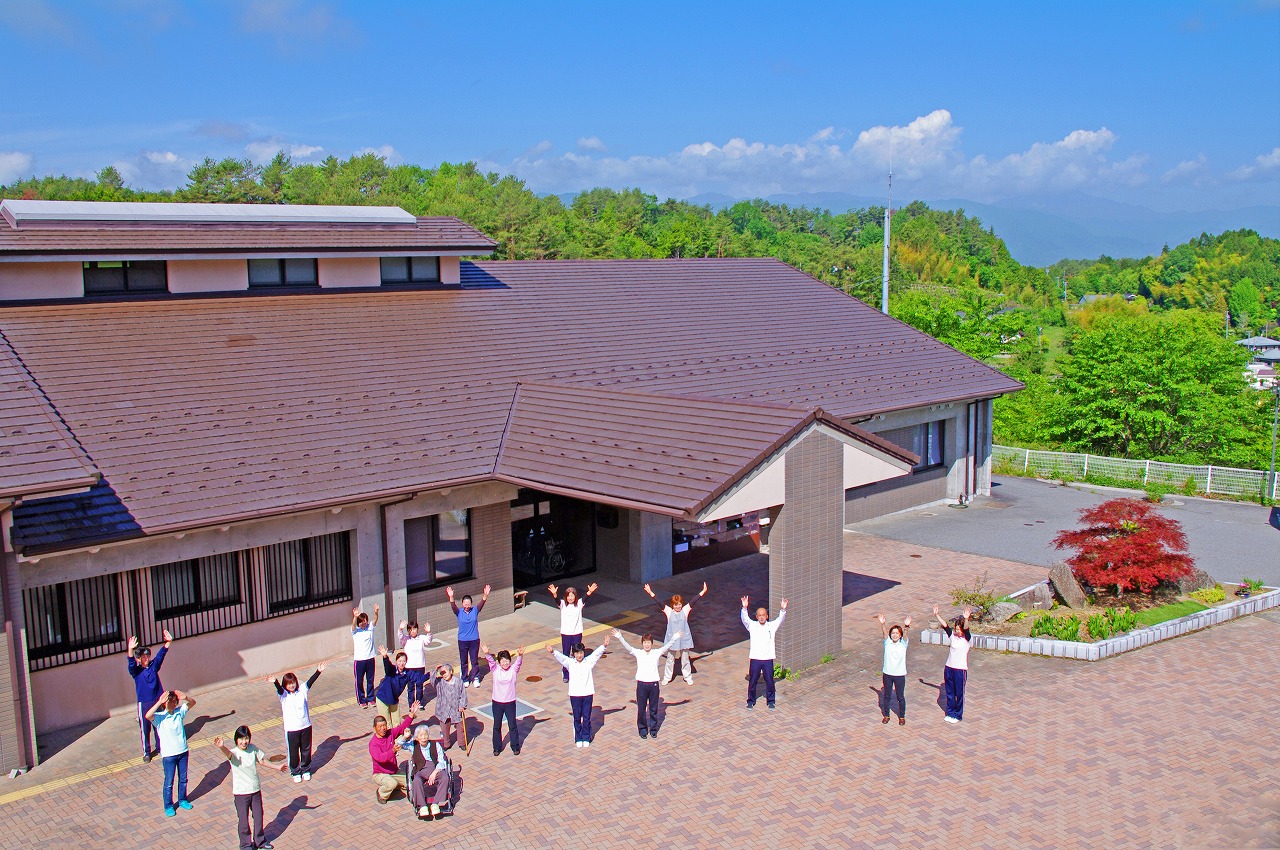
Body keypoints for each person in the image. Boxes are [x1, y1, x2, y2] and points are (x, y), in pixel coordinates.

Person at [214, 725, 288, 850]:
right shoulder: (234, 752)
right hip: (241, 794)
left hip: (255, 791)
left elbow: (262, 761)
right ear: (236, 740)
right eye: (241, 739)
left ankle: (260, 842)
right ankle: (245, 845)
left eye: (246, 738)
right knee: (243, 821)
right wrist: (222, 747)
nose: (244, 742)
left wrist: (278, 767)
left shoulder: (253, 749)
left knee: (258, 817)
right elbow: (228, 754)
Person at [611, 628, 681, 739]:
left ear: (651, 643)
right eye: (645, 642)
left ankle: (653, 729)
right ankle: (642, 729)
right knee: (641, 709)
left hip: (653, 685)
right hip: (642, 685)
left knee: (653, 709)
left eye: (648, 642)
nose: (647, 645)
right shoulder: (638, 653)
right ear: (642, 643)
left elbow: (667, 646)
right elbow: (628, 647)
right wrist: (620, 637)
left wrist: (674, 638)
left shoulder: (656, 652)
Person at [642, 581, 708, 685]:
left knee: (685, 659)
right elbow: (659, 602)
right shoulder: (669, 611)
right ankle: (667, 677)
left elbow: (694, 600)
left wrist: (703, 591)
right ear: (672, 605)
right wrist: (650, 592)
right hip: (672, 639)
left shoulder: (685, 610)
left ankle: (687, 677)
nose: (678, 606)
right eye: (676, 605)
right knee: (670, 659)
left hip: (684, 639)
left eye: (679, 604)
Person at [548, 636, 609, 748]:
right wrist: (553, 652)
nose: (579, 655)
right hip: (575, 695)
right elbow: (561, 658)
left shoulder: (588, 661)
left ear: (583, 653)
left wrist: (604, 646)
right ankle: (578, 737)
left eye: (581, 653)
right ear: (573, 654)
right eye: (577, 653)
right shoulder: (570, 663)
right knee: (577, 717)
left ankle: (586, 737)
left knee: (586, 717)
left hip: (587, 693)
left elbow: (596, 654)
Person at [145, 689, 196, 817]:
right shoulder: (159, 717)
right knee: (169, 782)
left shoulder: (179, 712)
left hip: (183, 751)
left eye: (174, 701)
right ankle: (168, 805)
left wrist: (185, 697)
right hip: (169, 755)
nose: (173, 704)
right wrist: (159, 702)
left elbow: (192, 703)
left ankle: (182, 800)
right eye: (170, 702)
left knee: (183, 779)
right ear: (165, 703)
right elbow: (147, 715)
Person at [272, 663, 325, 782]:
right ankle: (295, 771)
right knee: (293, 751)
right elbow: (279, 689)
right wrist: (275, 681)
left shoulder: (302, 690)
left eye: (293, 682)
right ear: (285, 685)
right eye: (289, 683)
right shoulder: (283, 695)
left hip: (305, 726)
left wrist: (318, 671)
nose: (291, 685)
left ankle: (306, 769)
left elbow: (310, 682)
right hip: (291, 729)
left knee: (306, 750)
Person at [127, 629, 173, 762]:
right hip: (144, 703)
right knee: (145, 728)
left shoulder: (153, 666)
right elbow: (130, 663)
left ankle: (161, 747)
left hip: (158, 700)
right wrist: (130, 649)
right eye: (143, 657)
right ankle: (147, 752)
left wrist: (168, 642)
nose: (147, 658)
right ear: (139, 659)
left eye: (148, 656)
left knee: (159, 725)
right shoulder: (136, 671)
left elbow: (161, 655)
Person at [740, 595, 787, 710]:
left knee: (770, 681)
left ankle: (771, 701)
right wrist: (744, 608)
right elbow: (744, 619)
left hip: (768, 659)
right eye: (759, 615)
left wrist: (783, 609)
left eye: (763, 615)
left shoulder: (772, 626)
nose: (761, 617)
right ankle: (751, 701)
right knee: (753, 681)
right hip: (755, 659)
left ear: (767, 616)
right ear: (756, 617)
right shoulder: (752, 626)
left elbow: (780, 619)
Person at [369, 701, 420, 803]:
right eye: (380, 727)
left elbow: (401, 728)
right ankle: (381, 794)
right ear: (374, 728)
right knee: (391, 784)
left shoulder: (390, 733)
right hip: (380, 774)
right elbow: (380, 758)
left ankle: (394, 784)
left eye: (384, 726)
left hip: (394, 771)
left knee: (411, 781)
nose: (383, 728)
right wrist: (392, 751)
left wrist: (411, 714)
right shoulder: (373, 743)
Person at [547, 582, 597, 683]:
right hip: (566, 633)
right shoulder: (562, 604)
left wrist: (590, 591)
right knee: (565, 654)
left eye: (572, 596)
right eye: (568, 596)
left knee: (577, 653)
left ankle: (576, 672)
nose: (570, 598)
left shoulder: (579, 604)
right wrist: (554, 594)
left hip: (577, 633)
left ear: (575, 597)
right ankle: (566, 674)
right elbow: (557, 600)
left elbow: (585, 598)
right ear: (566, 597)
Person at [481, 644, 524, 755]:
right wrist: (487, 653)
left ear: (510, 660)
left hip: (510, 702)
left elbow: (518, 662)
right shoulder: (495, 669)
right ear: (499, 662)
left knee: (512, 725)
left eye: (507, 660)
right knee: (497, 726)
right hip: (497, 702)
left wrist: (520, 655)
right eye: (502, 661)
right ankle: (497, 747)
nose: (505, 663)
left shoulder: (513, 669)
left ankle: (515, 746)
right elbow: (491, 661)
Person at [933, 604, 972, 723]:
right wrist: (936, 615)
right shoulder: (953, 637)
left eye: (960, 629)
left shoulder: (967, 639)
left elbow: (967, 629)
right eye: (956, 629)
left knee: (959, 693)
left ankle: (958, 715)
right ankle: (950, 713)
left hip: (960, 669)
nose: (958, 631)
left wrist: (966, 618)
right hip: (949, 667)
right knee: (949, 692)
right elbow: (945, 626)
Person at [446, 584, 491, 688]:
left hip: (474, 640)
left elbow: (482, 603)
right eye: (465, 604)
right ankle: (465, 678)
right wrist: (451, 596)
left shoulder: (475, 610)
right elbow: (453, 606)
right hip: (462, 640)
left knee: (474, 661)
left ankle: (476, 678)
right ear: (462, 604)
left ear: (471, 604)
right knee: (464, 661)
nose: (467, 606)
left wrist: (485, 595)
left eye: (468, 604)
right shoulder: (459, 612)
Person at [407, 723, 453, 819]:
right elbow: (400, 744)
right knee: (416, 780)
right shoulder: (413, 745)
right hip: (420, 770)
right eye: (421, 735)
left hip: (434, 768)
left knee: (445, 777)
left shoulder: (435, 745)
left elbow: (441, 760)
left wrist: (434, 773)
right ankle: (423, 806)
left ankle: (435, 804)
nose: (423, 737)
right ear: (417, 737)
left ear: (428, 735)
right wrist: (405, 737)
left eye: (425, 735)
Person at [876, 613, 912, 725]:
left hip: (899, 675)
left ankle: (901, 716)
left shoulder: (903, 643)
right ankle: (886, 715)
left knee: (900, 696)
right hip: (887, 673)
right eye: (893, 633)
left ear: (900, 635)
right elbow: (884, 634)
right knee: (887, 696)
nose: (895, 635)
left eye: (897, 633)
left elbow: (906, 634)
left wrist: (906, 626)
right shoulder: (888, 643)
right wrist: (883, 624)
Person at [428, 663, 468, 749]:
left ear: (451, 671)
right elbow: (432, 681)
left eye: (445, 672)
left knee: (460, 727)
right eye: (442, 673)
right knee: (444, 728)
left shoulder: (458, 682)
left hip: (456, 708)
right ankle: (446, 744)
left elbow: (463, 695)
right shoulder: (440, 682)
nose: (444, 675)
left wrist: (462, 705)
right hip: (443, 709)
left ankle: (461, 743)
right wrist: (435, 670)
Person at [375, 646, 413, 727]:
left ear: (406, 662)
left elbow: (419, 678)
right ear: (396, 661)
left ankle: (398, 735)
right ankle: (390, 736)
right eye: (399, 661)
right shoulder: (391, 670)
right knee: (387, 723)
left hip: (393, 699)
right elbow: (387, 666)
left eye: (403, 661)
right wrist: (385, 657)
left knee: (397, 723)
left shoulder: (407, 673)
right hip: (383, 699)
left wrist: (431, 674)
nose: (401, 663)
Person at [398, 619, 433, 707]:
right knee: (410, 687)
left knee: (419, 686)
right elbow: (400, 637)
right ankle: (411, 704)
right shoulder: (406, 639)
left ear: (417, 629)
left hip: (420, 666)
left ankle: (419, 703)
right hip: (409, 667)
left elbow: (429, 640)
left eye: (414, 629)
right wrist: (400, 629)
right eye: (410, 630)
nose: (412, 631)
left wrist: (428, 632)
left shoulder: (421, 638)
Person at [352, 604, 380, 708]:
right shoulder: (355, 631)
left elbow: (375, 620)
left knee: (370, 680)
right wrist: (355, 617)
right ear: (358, 623)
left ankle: (371, 698)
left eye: (365, 621)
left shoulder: (370, 628)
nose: (364, 623)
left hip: (370, 658)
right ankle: (361, 700)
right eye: (361, 622)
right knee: (359, 681)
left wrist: (376, 612)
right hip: (359, 660)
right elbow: (353, 625)